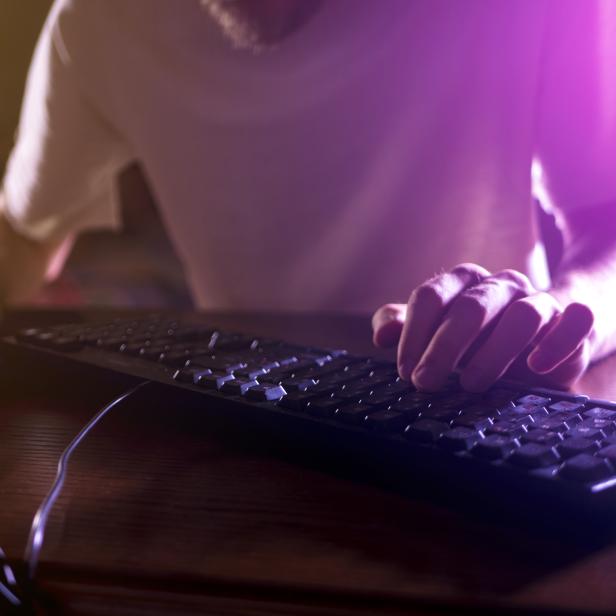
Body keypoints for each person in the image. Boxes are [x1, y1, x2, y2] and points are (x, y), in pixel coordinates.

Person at [1, 0, 616, 393]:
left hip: (480, 399)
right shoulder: (96, 22)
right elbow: (24, 235)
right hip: (245, 407)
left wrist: (563, 316)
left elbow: (605, 218)